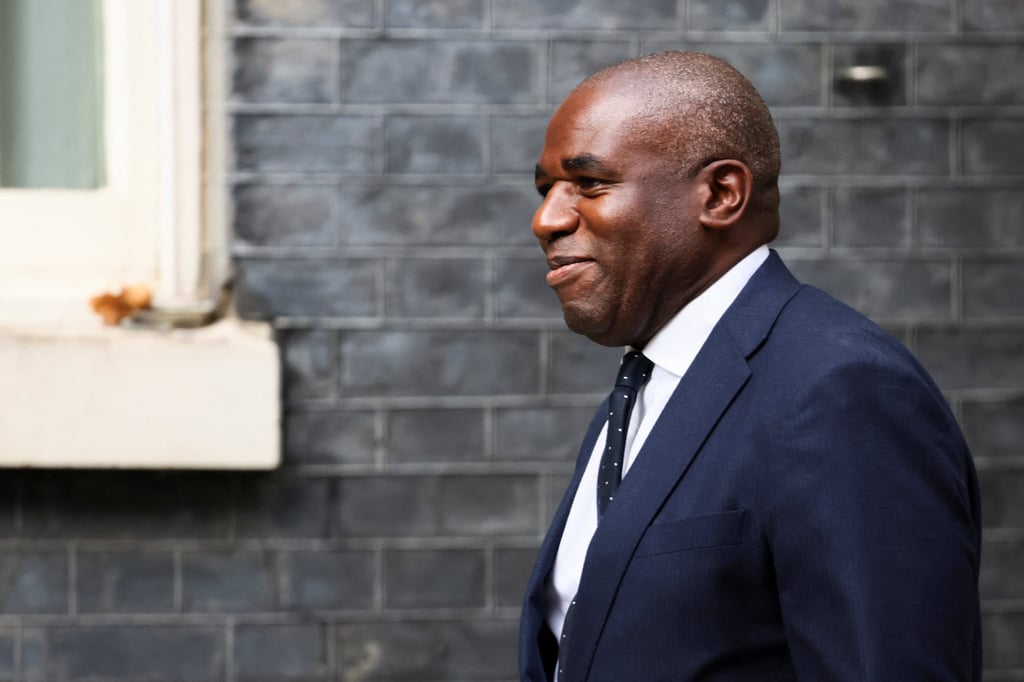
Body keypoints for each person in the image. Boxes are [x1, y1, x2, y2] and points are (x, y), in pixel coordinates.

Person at [518, 51, 981, 682]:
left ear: (720, 194)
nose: (546, 219)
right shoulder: (646, 387)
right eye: (545, 190)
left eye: (590, 183)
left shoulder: (842, 389)